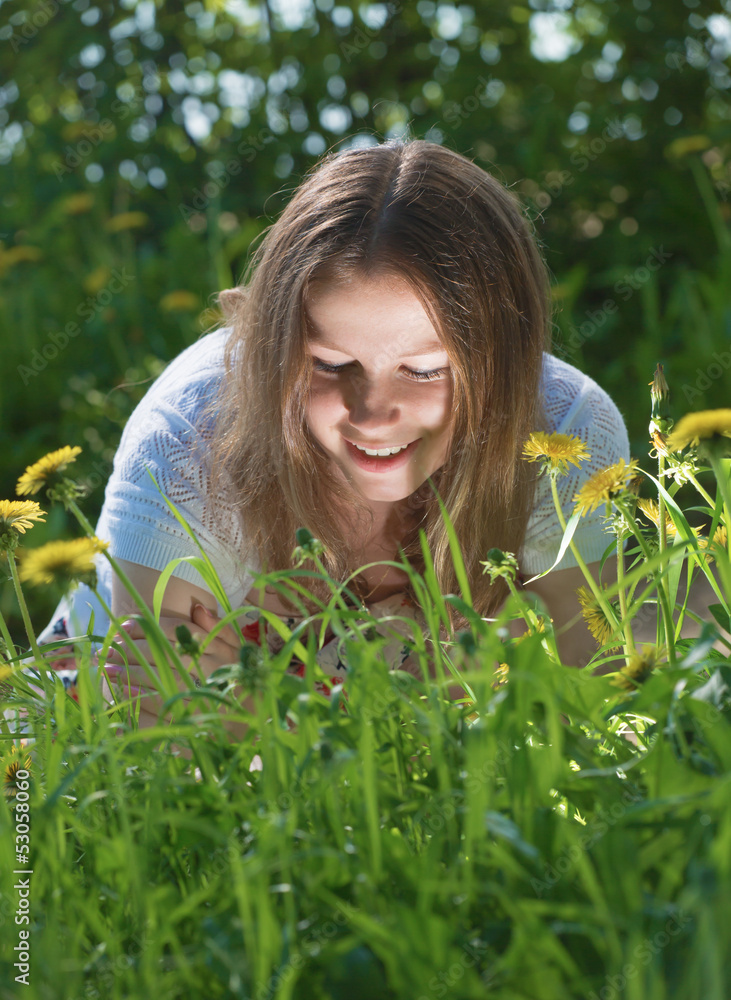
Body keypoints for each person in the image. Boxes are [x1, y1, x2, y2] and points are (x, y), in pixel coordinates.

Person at [36, 137, 630, 731]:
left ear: (502, 364)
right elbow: (163, 736)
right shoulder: (190, 443)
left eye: (425, 371)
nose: (371, 412)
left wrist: (247, 709)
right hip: (81, 750)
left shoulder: (563, 433)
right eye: (328, 364)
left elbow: (601, 697)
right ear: (277, 343)